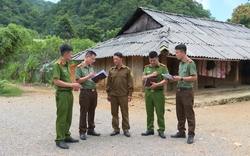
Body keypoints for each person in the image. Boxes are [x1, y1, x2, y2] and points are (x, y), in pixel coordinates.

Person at [52, 44, 82, 149]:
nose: (72, 55)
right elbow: (56, 82)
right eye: (71, 53)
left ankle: (66, 135)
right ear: (66, 53)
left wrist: (74, 86)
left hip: (69, 93)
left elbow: (68, 80)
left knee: (68, 116)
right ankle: (59, 139)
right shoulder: (57, 65)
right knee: (62, 116)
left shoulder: (67, 65)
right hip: (62, 94)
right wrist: (71, 85)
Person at [171, 44, 197, 144]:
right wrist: (175, 79)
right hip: (179, 90)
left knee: (189, 113)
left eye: (177, 53)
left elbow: (194, 77)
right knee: (180, 112)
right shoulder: (181, 63)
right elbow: (181, 76)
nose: (176, 54)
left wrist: (181, 78)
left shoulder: (190, 63)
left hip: (187, 91)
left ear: (183, 52)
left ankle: (191, 134)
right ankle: (181, 131)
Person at [141, 51, 169, 139]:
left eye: (154, 60)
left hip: (158, 93)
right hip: (149, 93)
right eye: (150, 60)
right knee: (149, 112)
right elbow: (143, 78)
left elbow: (166, 79)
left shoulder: (163, 68)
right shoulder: (147, 68)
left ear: (157, 59)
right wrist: (151, 75)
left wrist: (157, 84)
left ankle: (161, 130)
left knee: (160, 112)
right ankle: (150, 129)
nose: (152, 62)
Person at [106, 52, 134, 137]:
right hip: (113, 95)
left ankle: (126, 129)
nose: (114, 61)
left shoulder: (127, 70)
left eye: (116, 59)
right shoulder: (111, 70)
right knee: (114, 113)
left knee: (124, 113)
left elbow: (130, 83)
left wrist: (130, 94)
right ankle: (116, 129)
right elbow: (108, 84)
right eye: (114, 59)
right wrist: (108, 94)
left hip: (123, 95)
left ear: (121, 59)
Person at [75, 51, 101, 140]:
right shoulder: (79, 67)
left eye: (94, 59)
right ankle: (82, 131)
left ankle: (91, 129)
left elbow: (92, 79)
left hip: (93, 91)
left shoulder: (91, 67)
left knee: (92, 110)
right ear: (87, 57)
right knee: (84, 111)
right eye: (92, 59)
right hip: (85, 92)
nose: (93, 61)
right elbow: (78, 80)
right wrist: (88, 76)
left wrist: (97, 79)